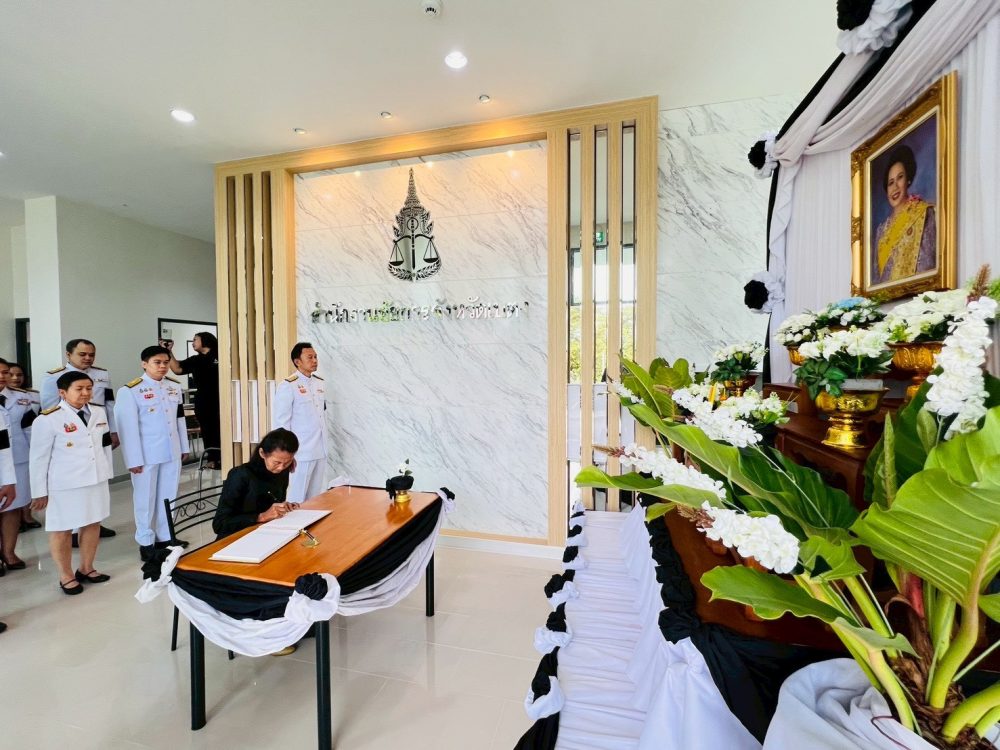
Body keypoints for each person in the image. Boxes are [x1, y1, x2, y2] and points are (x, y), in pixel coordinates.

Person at [28, 371, 113, 595]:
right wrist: (39, 492)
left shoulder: (98, 411)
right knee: (61, 529)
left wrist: (107, 472)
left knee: (93, 523)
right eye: (79, 389)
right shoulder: (47, 419)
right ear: (62, 392)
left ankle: (86, 567)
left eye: (89, 388)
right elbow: (38, 459)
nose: (85, 393)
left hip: (95, 478)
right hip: (64, 484)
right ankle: (65, 575)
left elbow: (104, 445)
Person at [115, 345, 190, 561]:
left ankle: (165, 537)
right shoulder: (130, 391)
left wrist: (184, 446)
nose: (163, 366)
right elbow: (127, 428)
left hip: (171, 450)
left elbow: (179, 420)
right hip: (146, 454)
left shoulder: (174, 387)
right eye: (157, 362)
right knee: (145, 499)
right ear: (144, 364)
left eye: (166, 362)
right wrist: (133, 459)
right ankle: (146, 541)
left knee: (169, 495)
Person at [41, 338, 118, 542]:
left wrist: (113, 430)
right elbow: (49, 408)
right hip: (70, 436)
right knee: (76, 482)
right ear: (69, 355)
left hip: (97, 429)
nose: (88, 358)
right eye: (82, 354)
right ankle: (75, 530)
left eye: (91, 354)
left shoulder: (101, 375)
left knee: (96, 479)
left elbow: (109, 403)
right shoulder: (53, 377)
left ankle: (94, 522)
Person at [213, 428, 300, 538]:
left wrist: (283, 507)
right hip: (235, 538)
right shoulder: (241, 475)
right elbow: (219, 524)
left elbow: (273, 502)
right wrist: (261, 517)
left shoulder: (283, 471)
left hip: (263, 534)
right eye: (276, 462)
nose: (281, 467)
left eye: (287, 462)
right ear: (262, 453)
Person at [872, 144, 937, 286]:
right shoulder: (881, 231)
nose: (895, 187)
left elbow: (928, 264)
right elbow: (877, 279)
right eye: (890, 183)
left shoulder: (923, 213)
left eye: (900, 178)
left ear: (908, 180)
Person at [272, 342, 328, 503]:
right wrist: (287, 452)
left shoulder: (319, 382)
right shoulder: (288, 385)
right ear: (297, 361)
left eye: (315, 357)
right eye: (310, 357)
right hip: (301, 451)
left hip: (320, 448)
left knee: (315, 497)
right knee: (297, 497)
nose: (315, 360)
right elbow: (281, 422)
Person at [0, 358, 39, 572]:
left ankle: (9, 552)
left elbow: (31, 430)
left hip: (19, 459)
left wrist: (39, 458)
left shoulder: (22, 398)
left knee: (13, 507)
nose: (3, 376)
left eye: (5, 372)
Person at [163, 332, 220, 469]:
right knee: (207, 429)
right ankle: (213, 458)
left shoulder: (221, 355)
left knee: (222, 428)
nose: (193, 342)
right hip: (204, 400)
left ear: (205, 340)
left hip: (222, 398)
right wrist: (168, 351)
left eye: (195, 339)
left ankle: (228, 456)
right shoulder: (195, 360)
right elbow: (177, 369)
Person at [6, 363, 42, 531]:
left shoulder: (28, 396)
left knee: (23, 488)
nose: (15, 378)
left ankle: (26, 517)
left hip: (21, 450)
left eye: (19, 375)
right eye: (9, 374)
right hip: (4, 453)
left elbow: (31, 426)